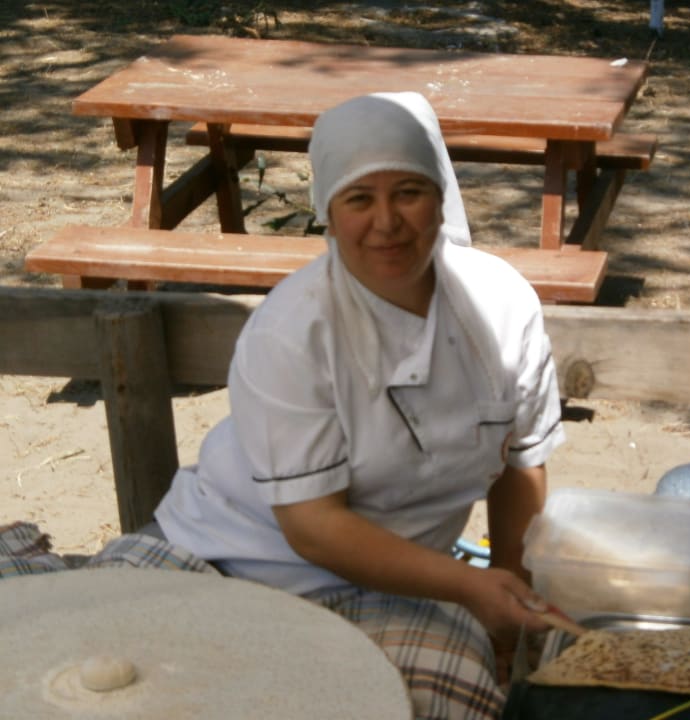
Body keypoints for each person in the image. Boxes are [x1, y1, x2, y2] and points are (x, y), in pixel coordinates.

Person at [151, 91, 566, 719]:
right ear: (328, 210)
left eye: (408, 191)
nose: (387, 222)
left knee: (450, 697)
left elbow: (520, 469)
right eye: (359, 198)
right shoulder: (293, 328)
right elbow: (312, 526)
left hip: (399, 585)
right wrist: (471, 586)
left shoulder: (503, 307)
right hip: (234, 556)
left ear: (440, 194)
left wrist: (510, 607)